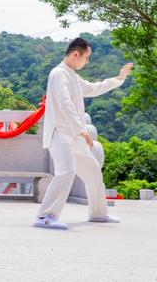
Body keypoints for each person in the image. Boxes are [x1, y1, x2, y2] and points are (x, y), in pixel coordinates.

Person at [34, 38, 133, 229]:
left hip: (75, 136)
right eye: (86, 58)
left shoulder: (72, 75)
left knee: (93, 171)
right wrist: (81, 128)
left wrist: (119, 79)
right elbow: (65, 103)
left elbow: (92, 88)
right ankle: (44, 216)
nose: (86, 62)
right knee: (66, 172)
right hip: (60, 134)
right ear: (75, 54)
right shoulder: (59, 74)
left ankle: (98, 214)